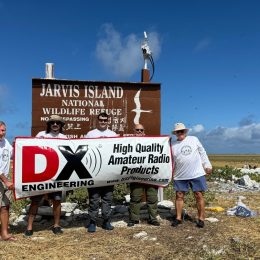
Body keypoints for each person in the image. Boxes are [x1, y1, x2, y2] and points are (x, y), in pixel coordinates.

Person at [24, 115, 67, 237]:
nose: (55, 124)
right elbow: (31, 149)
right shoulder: (40, 135)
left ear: (61, 125)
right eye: (52, 122)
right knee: (35, 201)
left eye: (57, 122)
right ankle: (29, 226)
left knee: (57, 200)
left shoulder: (64, 138)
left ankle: (57, 225)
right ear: (49, 124)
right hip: (41, 174)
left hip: (57, 174)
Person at [171, 122, 212, 228]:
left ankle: (201, 218)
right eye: (177, 132)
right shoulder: (173, 145)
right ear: (175, 133)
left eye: (181, 131)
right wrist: (170, 173)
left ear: (185, 131)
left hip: (196, 173)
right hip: (180, 175)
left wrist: (207, 165)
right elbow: (171, 160)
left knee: (198, 195)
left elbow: (202, 152)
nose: (180, 133)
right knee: (179, 196)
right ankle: (178, 218)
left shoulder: (194, 139)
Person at [84, 112, 118, 233]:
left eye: (105, 120)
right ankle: (92, 222)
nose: (103, 122)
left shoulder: (113, 134)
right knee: (93, 199)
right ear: (97, 121)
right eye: (101, 120)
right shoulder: (90, 134)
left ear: (108, 121)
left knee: (107, 198)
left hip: (108, 172)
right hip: (94, 172)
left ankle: (106, 221)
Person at [127, 124, 160, 227]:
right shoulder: (129, 143)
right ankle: (134, 218)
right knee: (135, 197)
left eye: (141, 130)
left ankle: (153, 218)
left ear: (144, 131)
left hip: (150, 175)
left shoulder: (150, 142)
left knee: (152, 198)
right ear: (134, 131)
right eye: (137, 130)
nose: (139, 132)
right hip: (136, 175)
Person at [0, 121, 17, 241]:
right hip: (3, 180)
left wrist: (21, 145)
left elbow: (14, 155)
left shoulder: (6, 142)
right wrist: (6, 181)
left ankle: (4, 234)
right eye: (0, 130)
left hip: (5, 179)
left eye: (3, 130)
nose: (1, 133)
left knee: (5, 207)